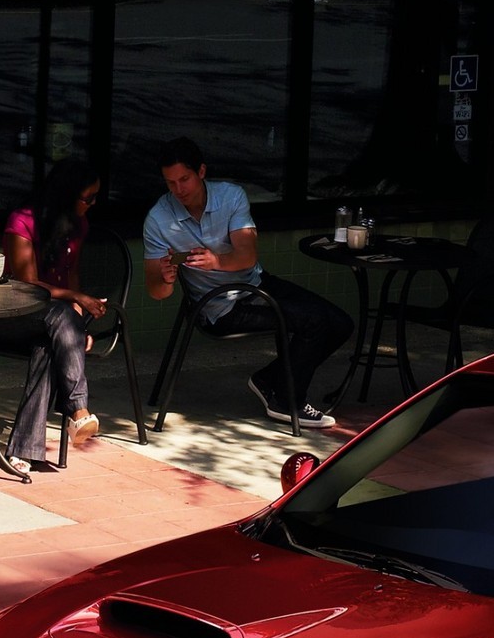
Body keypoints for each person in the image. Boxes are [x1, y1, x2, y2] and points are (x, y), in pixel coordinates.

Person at [141, 137, 350, 430]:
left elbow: (248, 255)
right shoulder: (158, 219)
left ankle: (270, 380)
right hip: (218, 306)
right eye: (170, 183)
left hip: (255, 283)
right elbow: (156, 291)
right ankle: (287, 400)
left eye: (184, 179)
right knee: (313, 322)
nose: (179, 190)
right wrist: (165, 278)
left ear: (201, 171)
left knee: (340, 323)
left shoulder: (230, 196)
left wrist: (217, 261)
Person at [0, 156, 108, 469]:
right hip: (13, 315)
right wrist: (76, 300)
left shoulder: (78, 224)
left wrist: (77, 325)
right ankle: (77, 409)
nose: (92, 204)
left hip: (54, 323)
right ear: (66, 194)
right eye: (88, 198)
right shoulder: (22, 220)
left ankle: (23, 449)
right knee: (59, 318)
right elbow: (27, 285)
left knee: (49, 344)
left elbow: (71, 278)